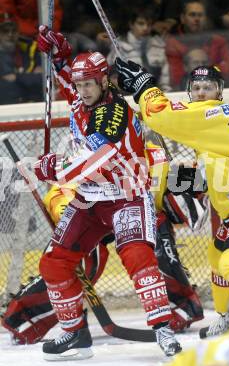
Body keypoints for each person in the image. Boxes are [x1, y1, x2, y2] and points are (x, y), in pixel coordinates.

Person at [33, 25, 182, 360]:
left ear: (104, 82)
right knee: (54, 263)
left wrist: (52, 168)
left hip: (124, 195)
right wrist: (59, 57)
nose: (82, 90)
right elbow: (71, 83)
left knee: (137, 258)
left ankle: (163, 329)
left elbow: (93, 160)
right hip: (89, 200)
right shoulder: (84, 97)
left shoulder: (112, 112)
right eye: (79, 84)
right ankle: (75, 333)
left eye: (89, 84)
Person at [115, 59, 229, 339]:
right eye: (196, 87)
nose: (200, 93)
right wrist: (165, 186)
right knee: (217, 254)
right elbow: (211, 172)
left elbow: (159, 114)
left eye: (207, 87)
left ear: (219, 92)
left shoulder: (211, 113)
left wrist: (143, 86)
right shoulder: (213, 120)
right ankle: (228, 317)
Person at [1, 145, 206, 344]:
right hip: (93, 216)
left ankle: (178, 307)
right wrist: (63, 212)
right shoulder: (93, 158)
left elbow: (193, 194)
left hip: (132, 214)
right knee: (77, 262)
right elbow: (61, 191)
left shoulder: (159, 163)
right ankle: (25, 318)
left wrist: (198, 188)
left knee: (153, 239)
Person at [165, 0, 229, 90]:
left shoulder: (219, 42)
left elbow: (226, 72)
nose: (197, 19)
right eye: (192, 15)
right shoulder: (172, 43)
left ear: (205, 19)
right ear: (183, 18)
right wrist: (211, 68)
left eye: (200, 15)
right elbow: (176, 79)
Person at [107, 7, 172, 92]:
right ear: (131, 24)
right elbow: (110, 77)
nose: (145, 28)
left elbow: (165, 81)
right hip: (127, 96)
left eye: (149, 24)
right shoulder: (119, 46)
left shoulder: (158, 46)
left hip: (154, 96)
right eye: (141, 24)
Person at [0, 10, 43, 105]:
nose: (10, 35)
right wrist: (29, 77)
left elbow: (42, 79)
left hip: (32, 104)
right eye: (5, 31)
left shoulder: (30, 50)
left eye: (14, 30)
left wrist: (16, 77)